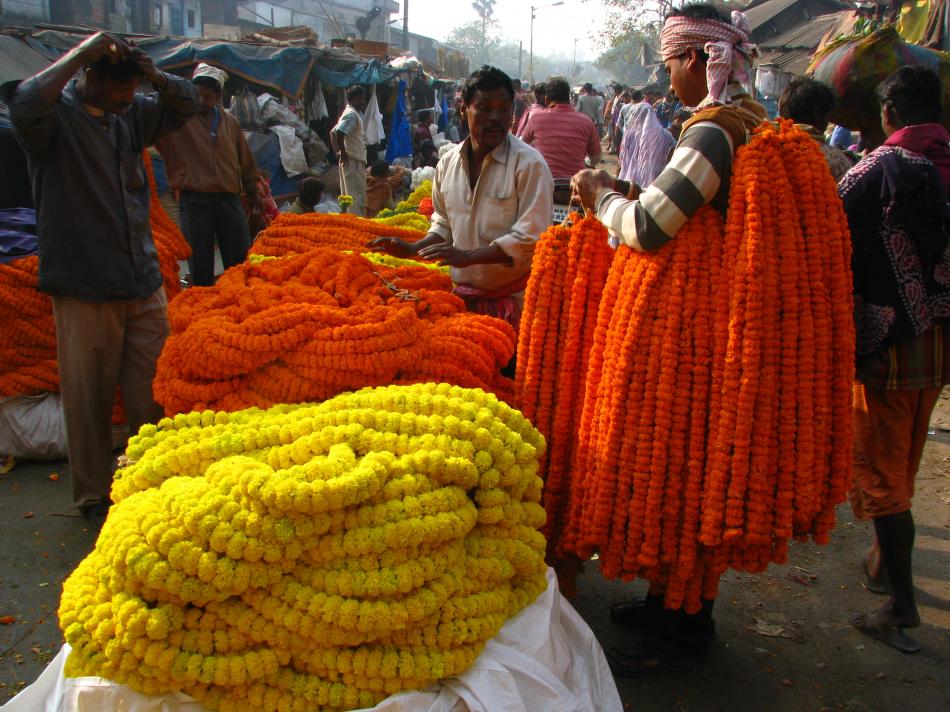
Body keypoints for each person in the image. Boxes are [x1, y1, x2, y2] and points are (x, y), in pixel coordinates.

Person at [572, 4, 767, 675]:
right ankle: (669, 603)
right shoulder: (741, 120)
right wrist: (626, 188)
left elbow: (652, 227)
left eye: (667, 63)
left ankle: (683, 627)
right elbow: (685, 204)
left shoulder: (713, 131)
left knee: (682, 467)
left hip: (695, 330)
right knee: (681, 466)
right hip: (706, 318)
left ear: (693, 59)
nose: (665, 76)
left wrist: (602, 200)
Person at [2, 32, 199, 528]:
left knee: (153, 389)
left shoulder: (130, 115)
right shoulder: (55, 120)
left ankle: (149, 476)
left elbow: (187, 104)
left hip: (141, 278)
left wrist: (152, 73)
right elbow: (23, 102)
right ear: (89, 77)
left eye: (132, 90)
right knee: (88, 395)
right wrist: (80, 53)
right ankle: (92, 495)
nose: (126, 98)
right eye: (118, 89)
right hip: (85, 282)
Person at [838, 66, 950, 654]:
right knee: (903, 458)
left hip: (887, 346)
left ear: (889, 113)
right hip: (939, 344)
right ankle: (884, 561)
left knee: (881, 475)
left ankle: (901, 606)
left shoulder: (876, 170)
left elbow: (830, 238)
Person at [370, 66, 553, 334]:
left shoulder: (529, 165)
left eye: (504, 109)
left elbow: (530, 238)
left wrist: (468, 256)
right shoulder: (447, 163)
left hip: (516, 302)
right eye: (485, 108)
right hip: (461, 301)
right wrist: (413, 248)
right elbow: (444, 222)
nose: (495, 118)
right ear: (463, 109)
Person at [155, 63, 259, 286]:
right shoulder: (181, 119)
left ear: (219, 97)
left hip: (228, 197)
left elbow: (245, 158)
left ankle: (238, 297)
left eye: (208, 97)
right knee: (199, 260)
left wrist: (253, 189)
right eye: (198, 95)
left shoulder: (230, 122)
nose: (202, 101)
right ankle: (203, 301)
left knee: (239, 257)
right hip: (195, 199)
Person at [521, 76, 602, 180]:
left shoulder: (535, 118)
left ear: (546, 100)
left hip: (544, 182)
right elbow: (596, 157)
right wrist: (586, 162)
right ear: (568, 98)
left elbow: (521, 145)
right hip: (575, 184)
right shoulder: (586, 122)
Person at [778, 78, 855, 181]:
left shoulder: (764, 151)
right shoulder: (835, 160)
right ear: (817, 113)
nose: (828, 122)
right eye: (828, 115)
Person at [617, 101, 676, 198]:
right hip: (654, 182)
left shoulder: (629, 135)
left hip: (629, 182)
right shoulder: (664, 135)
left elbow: (623, 158)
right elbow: (673, 154)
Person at [331, 85, 368, 216]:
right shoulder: (352, 114)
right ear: (351, 100)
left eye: (363, 99)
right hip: (353, 161)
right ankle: (357, 223)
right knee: (356, 197)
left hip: (350, 160)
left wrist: (339, 153)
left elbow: (333, 133)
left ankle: (348, 222)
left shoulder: (348, 113)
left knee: (347, 197)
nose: (362, 102)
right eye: (359, 99)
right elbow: (339, 133)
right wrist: (342, 152)